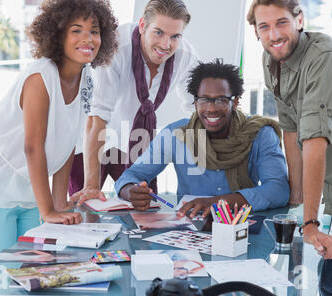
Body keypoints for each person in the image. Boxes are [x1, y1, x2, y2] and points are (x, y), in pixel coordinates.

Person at [0, 0, 118, 268]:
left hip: (29, 193)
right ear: (58, 34)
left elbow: (69, 142)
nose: (87, 38)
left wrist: (58, 203)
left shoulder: (87, 77)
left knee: (32, 275)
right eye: (76, 30)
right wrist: (48, 211)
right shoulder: (40, 77)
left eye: (94, 30)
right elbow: (33, 147)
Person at [247, 0, 332, 296]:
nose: (273, 34)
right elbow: (291, 131)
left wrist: (310, 222)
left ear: (299, 20)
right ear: (256, 31)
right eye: (264, 26)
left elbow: (315, 142)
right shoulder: (272, 63)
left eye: (281, 22)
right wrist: (297, 197)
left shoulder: (324, 58)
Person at [115, 59, 290, 217]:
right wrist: (131, 191)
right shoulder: (176, 134)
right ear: (195, 102)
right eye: (204, 100)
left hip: (242, 228)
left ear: (235, 102)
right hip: (190, 228)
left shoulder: (259, 134)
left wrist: (218, 203)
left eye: (221, 100)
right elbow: (131, 175)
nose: (211, 109)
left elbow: (279, 189)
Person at [69, 0, 199, 205]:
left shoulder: (187, 57)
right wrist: (91, 186)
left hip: (134, 141)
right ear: (142, 26)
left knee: (143, 207)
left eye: (175, 36)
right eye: (158, 32)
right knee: (86, 209)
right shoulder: (116, 47)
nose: (166, 45)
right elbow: (98, 116)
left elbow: (198, 111)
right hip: (89, 140)